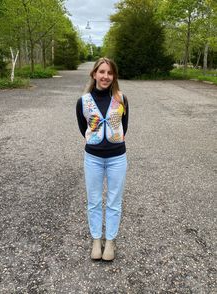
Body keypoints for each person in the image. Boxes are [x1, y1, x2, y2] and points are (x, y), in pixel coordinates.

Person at [76, 57, 129, 261]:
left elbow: (124, 125)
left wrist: (112, 140)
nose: (105, 76)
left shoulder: (121, 98)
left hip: (117, 157)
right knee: (94, 201)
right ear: (94, 74)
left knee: (114, 201)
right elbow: (84, 128)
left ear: (113, 76)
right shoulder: (84, 101)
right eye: (102, 72)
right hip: (93, 158)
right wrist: (98, 140)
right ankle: (96, 240)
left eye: (109, 72)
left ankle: (111, 241)